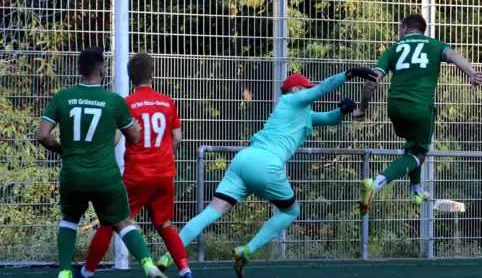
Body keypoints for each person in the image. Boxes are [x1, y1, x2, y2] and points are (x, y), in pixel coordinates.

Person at [157, 68, 378, 278]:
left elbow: (329, 119)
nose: (309, 90)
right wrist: (349, 74)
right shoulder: (291, 100)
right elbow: (321, 89)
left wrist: (342, 111)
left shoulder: (304, 115)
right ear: (295, 90)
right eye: (305, 87)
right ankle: (247, 250)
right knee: (291, 212)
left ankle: (168, 256)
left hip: (244, 159)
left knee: (209, 213)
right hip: (267, 164)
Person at [35, 48, 166, 278]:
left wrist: (64, 150)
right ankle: (148, 264)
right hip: (106, 177)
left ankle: (65, 272)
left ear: (79, 69)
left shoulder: (62, 97)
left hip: (73, 174)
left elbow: (43, 135)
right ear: (103, 70)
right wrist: (128, 126)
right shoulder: (113, 101)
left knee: (70, 220)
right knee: (122, 222)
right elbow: (133, 137)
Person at [76, 53, 193, 278]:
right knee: (165, 224)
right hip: (164, 173)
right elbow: (178, 137)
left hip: (137, 174)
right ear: (152, 74)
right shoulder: (167, 102)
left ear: (131, 78)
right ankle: (185, 269)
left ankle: (87, 270)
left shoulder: (126, 104)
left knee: (110, 220)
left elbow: (115, 140)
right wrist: (166, 156)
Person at [353, 14, 482, 214]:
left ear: (404, 28)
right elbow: (455, 56)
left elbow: (372, 81)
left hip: (395, 106)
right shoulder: (435, 45)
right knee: (419, 153)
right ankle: (375, 184)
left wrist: (362, 108)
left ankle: (417, 191)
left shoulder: (393, 49)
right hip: (421, 107)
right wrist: (472, 73)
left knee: (413, 146)